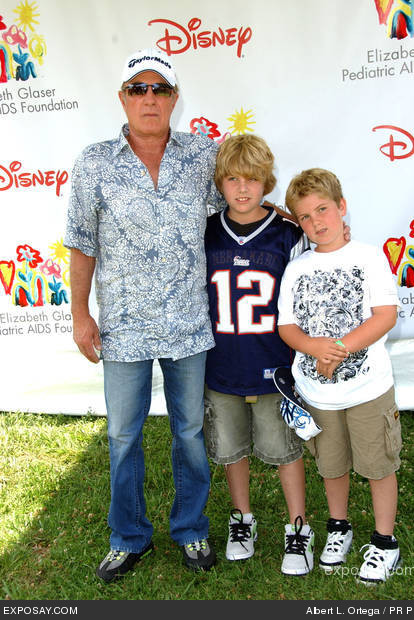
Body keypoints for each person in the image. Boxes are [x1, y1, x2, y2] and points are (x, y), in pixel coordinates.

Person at [64, 48, 228, 582]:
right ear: (122, 98)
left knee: (188, 432)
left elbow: (242, 200)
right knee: (122, 435)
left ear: (175, 98)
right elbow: (82, 244)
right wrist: (80, 315)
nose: (150, 97)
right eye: (138, 88)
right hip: (124, 325)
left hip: (188, 322)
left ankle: (191, 528)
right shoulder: (93, 162)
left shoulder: (204, 156)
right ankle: (128, 537)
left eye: (160, 88)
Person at [204, 134, 326, 576]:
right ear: (220, 182)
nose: (242, 189)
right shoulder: (206, 229)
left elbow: (315, 283)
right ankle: (243, 520)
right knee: (232, 448)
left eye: (252, 180)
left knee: (284, 449)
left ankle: (298, 528)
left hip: (276, 367)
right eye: (233, 178)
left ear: (267, 182)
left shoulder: (288, 234)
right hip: (221, 363)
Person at [277, 168, 402, 584]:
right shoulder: (296, 268)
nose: (316, 223)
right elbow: (287, 327)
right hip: (319, 393)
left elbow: (385, 315)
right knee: (331, 465)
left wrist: (340, 348)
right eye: (305, 217)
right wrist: (314, 348)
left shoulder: (368, 257)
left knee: (377, 464)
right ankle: (338, 528)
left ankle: (384, 542)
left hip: (368, 388)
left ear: (342, 206)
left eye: (323, 210)